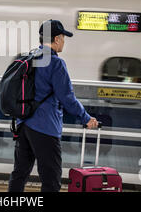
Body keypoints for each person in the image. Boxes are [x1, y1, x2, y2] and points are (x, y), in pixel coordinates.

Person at [8, 19, 99, 192]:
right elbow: (67, 97)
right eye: (63, 38)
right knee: (51, 179)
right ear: (57, 39)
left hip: (23, 124)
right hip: (45, 126)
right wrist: (86, 118)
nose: (64, 42)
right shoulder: (56, 63)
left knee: (20, 173)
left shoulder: (30, 57)